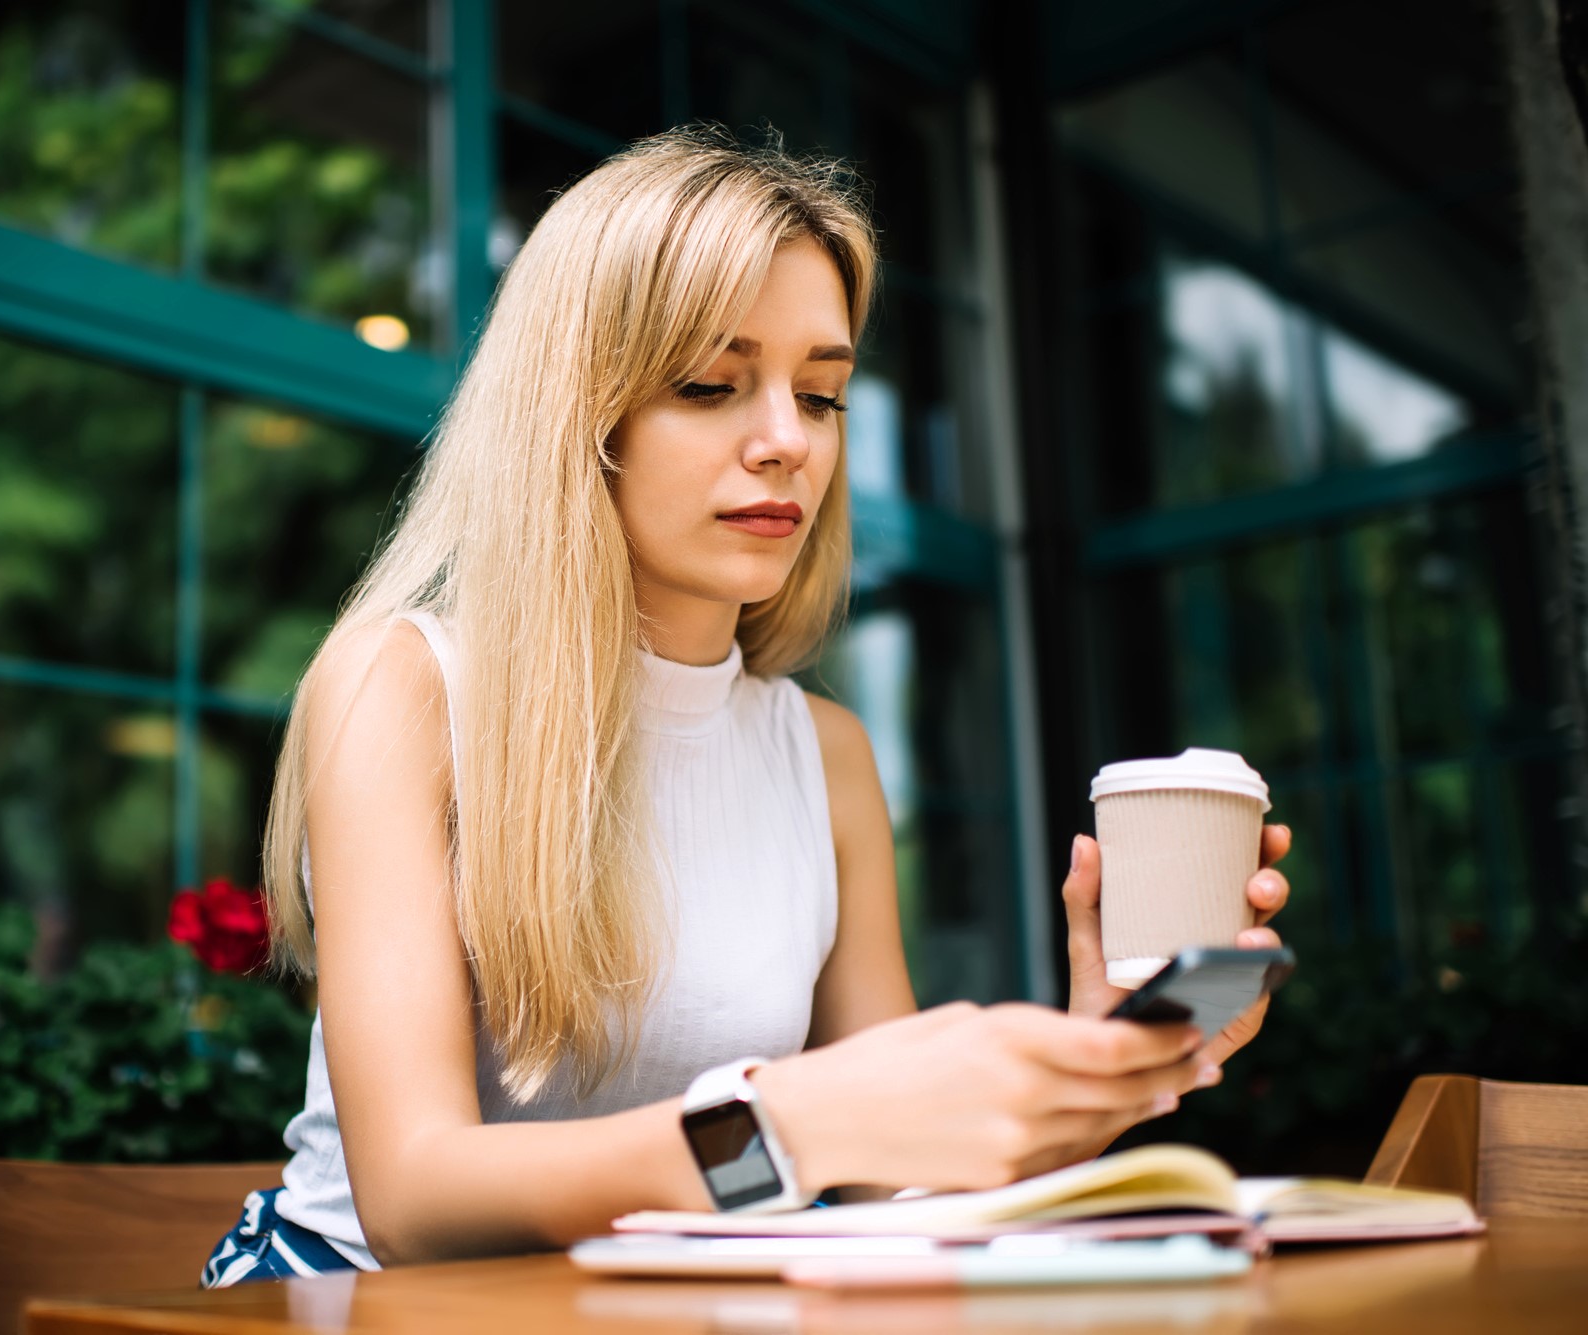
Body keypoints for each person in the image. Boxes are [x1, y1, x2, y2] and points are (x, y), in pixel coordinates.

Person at [201, 126, 1292, 1286]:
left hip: (651, 1309)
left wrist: (1102, 1061)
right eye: (712, 386)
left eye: (820, 395)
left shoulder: (823, 753)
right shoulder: (403, 686)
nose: (787, 444)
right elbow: (417, 1200)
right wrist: (797, 1121)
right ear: (580, 417)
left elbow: (892, 1192)